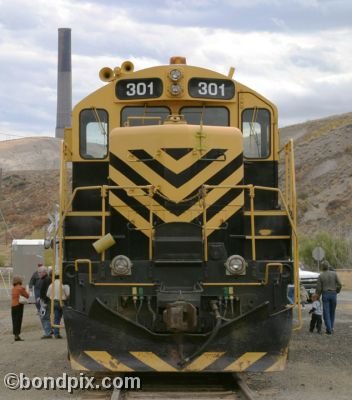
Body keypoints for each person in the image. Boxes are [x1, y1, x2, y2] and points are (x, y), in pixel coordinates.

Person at [316, 260, 342, 335]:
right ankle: (331, 327)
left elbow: (318, 289)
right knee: (332, 312)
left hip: (325, 294)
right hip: (333, 294)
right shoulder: (334, 274)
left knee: (326, 312)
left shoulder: (321, 276)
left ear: (322, 267)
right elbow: (339, 284)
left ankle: (329, 329)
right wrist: (337, 291)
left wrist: (317, 297)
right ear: (328, 266)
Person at [47, 274, 70, 339]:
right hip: (63, 301)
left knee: (56, 318)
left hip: (54, 302)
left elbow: (48, 294)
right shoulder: (64, 285)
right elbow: (68, 294)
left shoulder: (51, 285)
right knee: (66, 318)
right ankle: (69, 333)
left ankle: (56, 333)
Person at [11, 276, 29, 341]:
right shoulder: (21, 288)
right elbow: (27, 295)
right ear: (19, 281)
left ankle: (15, 334)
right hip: (19, 305)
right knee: (18, 320)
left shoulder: (13, 288)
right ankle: (17, 335)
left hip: (13, 305)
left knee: (14, 320)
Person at [37, 266, 52, 338]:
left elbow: (46, 292)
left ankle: (48, 333)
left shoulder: (47, 279)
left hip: (46, 301)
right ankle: (49, 331)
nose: (39, 274)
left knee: (44, 317)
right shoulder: (45, 279)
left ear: (44, 272)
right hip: (44, 300)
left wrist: (44, 301)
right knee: (45, 316)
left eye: (40, 272)